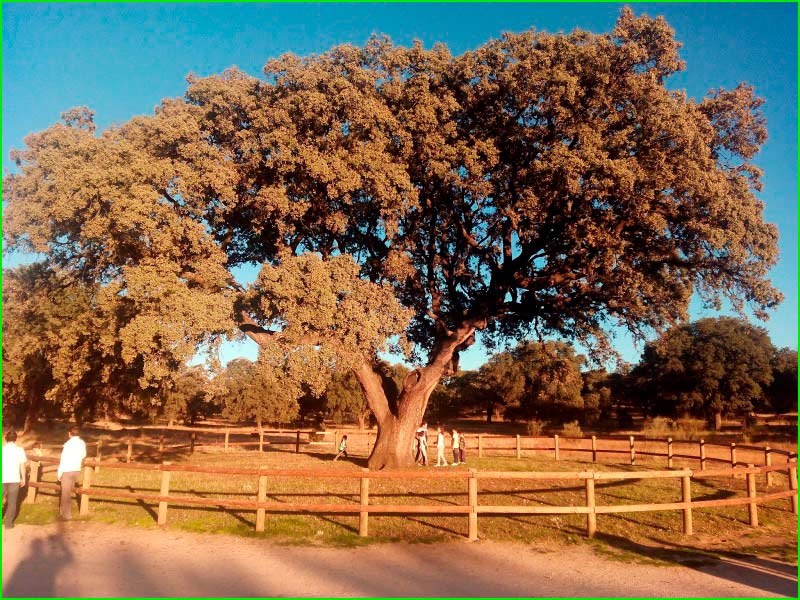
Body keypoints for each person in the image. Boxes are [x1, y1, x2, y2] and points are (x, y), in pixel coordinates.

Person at [57, 427, 86, 520]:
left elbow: (63, 459)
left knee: (65, 493)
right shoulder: (82, 443)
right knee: (71, 489)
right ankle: (68, 512)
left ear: (70, 434)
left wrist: (59, 473)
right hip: (76, 469)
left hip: (67, 469)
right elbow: (83, 455)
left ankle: (66, 515)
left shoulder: (68, 444)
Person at [2, 431, 27, 529]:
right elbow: (22, 465)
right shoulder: (19, 450)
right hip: (14, 478)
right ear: (16, 439)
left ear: (6, 439)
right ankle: (8, 524)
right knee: (12, 502)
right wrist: (23, 478)